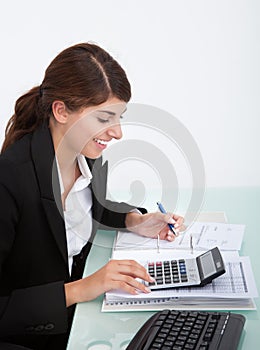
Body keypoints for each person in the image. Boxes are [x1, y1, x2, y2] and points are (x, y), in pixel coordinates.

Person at [0, 43, 184, 350]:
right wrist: (80, 290)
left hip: (78, 324)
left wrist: (135, 220)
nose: (117, 132)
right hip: (28, 337)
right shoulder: (9, 181)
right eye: (104, 119)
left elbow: (91, 207)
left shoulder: (87, 158)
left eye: (119, 117)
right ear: (60, 111)